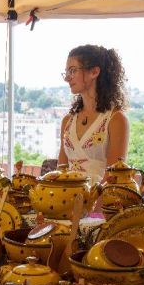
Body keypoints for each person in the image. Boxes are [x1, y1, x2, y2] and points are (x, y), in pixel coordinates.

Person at [58, 45, 130, 186]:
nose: (67, 78)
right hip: (66, 197)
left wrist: (88, 200)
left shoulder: (116, 119)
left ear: (94, 72)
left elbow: (113, 178)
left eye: (73, 70)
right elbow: (60, 172)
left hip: (101, 198)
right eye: (66, 72)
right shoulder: (67, 121)